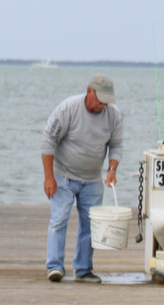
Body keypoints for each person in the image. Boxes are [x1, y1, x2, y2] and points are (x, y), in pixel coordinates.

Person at [40, 73, 123, 283]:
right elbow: (48, 142)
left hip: (93, 179)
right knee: (59, 219)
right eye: (100, 99)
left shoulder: (113, 115)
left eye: (107, 101)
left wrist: (112, 168)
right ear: (89, 91)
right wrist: (49, 177)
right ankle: (55, 266)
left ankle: (84, 269)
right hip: (64, 176)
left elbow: (116, 145)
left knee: (90, 224)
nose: (103, 105)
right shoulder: (68, 109)